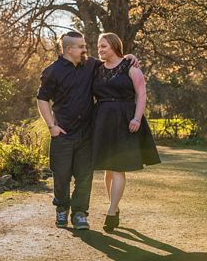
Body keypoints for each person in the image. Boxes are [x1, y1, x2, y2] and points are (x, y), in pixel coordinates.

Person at [36, 31, 140, 230]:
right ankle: (61, 209)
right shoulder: (52, 71)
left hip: (88, 132)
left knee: (85, 176)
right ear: (69, 49)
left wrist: (129, 57)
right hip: (63, 133)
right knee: (61, 175)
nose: (86, 49)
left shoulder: (91, 65)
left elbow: (115, 63)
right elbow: (42, 99)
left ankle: (80, 214)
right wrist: (52, 126)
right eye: (82, 46)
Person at [91, 32, 161, 232]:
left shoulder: (131, 68)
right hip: (102, 120)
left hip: (124, 119)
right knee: (107, 169)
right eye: (98, 46)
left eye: (103, 46)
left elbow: (141, 94)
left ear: (114, 46)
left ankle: (111, 212)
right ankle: (115, 205)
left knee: (118, 167)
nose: (100, 50)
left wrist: (137, 118)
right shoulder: (97, 68)